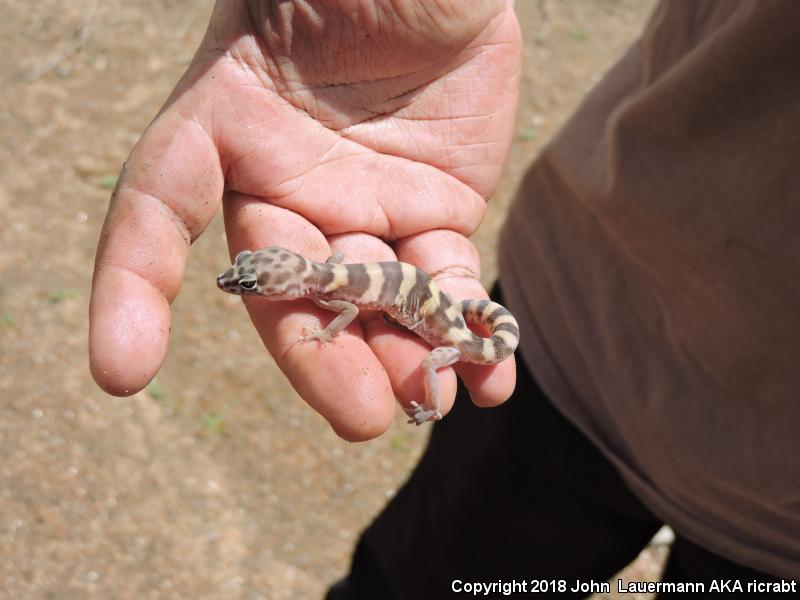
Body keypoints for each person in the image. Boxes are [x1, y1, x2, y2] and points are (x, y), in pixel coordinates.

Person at [89, 1, 800, 597]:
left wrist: (344, 336)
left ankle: (437, 388)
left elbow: (348, 309)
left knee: (437, 374)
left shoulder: (329, 286)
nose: (244, 281)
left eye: (249, 277)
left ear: (284, 277)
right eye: (249, 275)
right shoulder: (319, 273)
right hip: (582, 322)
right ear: (283, 269)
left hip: (771, 537)